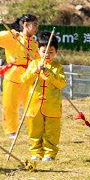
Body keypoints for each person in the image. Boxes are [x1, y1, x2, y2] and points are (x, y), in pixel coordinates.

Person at [20, 32, 67, 168]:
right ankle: (36, 152)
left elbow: (61, 83)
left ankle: (49, 153)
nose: (47, 54)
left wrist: (49, 73)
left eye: (51, 52)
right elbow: (25, 80)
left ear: (56, 52)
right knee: (34, 130)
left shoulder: (58, 67)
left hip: (52, 105)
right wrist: (36, 71)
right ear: (38, 51)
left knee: (52, 131)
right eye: (44, 51)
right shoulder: (33, 64)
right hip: (34, 104)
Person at [0, 13, 41, 138]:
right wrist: (12, 33)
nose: (37, 28)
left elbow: (38, 58)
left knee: (31, 104)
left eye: (37, 25)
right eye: (35, 25)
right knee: (10, 105)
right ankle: (11, 130)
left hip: (29, 76)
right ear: (26, 25)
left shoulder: (35, 43)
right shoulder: (14, 38)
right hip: (13, 75)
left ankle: (33, 128)